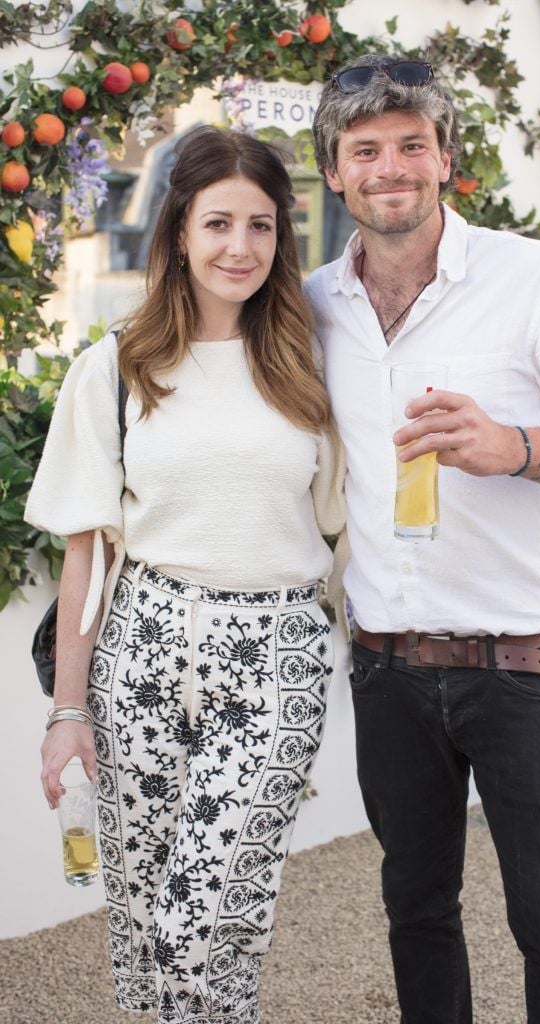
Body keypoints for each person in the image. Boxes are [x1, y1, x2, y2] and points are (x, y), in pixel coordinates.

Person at [306, 54, 540, 1024]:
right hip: (383, 667)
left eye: (411, 144)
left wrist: (513, 445)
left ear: (444, 159)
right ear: (333, 172)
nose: (390, 167)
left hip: (520, 669)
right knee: (414, 909)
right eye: (365, 149)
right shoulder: (309, 307)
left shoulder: (529, 279)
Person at [25, 124, 344, 1024]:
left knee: (199, 921)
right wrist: (67, 713)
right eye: (217, 224)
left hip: (274, 650)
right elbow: (85, 551)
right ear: (177, 231)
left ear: (282, 237)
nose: (240, 247)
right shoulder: (115, 369)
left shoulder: (312, 371)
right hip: (145, 645)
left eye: (262, 225)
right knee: (141, 922)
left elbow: (350, 525)